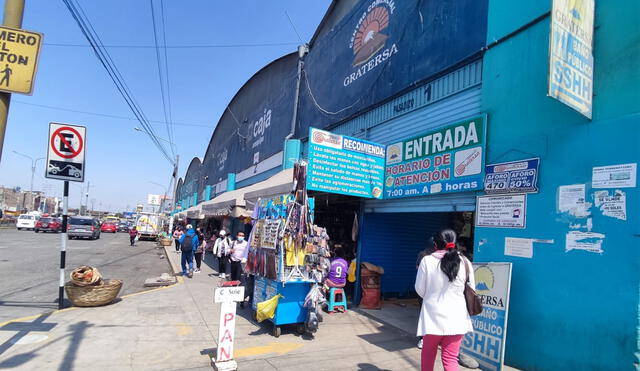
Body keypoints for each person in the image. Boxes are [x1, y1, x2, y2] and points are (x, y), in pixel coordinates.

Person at [415, 229, 474, 371]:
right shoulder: (465, 262)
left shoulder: (427, 261)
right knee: (450, 359)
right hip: (457, 318)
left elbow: (419, 290)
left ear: (435, 244)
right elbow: (472, 288)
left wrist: (432, 297)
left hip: (432, 318)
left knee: (428, 355)